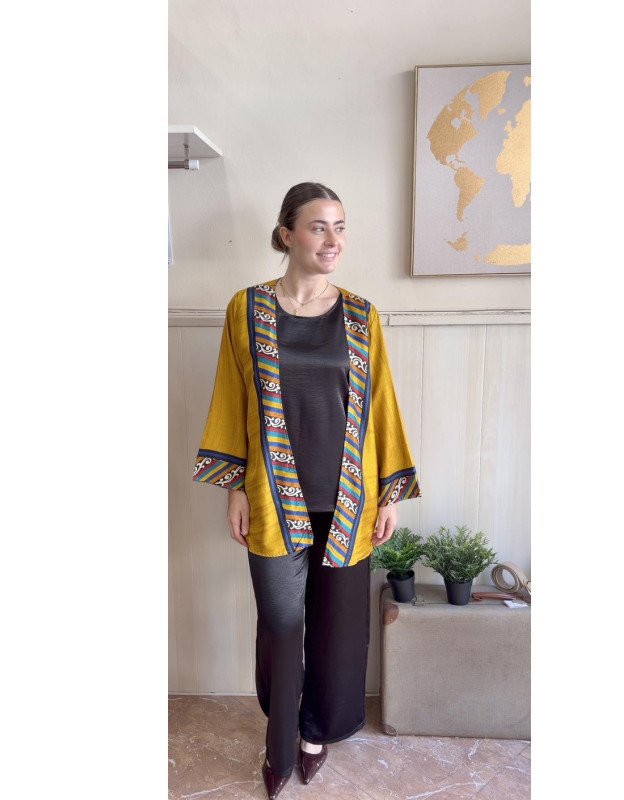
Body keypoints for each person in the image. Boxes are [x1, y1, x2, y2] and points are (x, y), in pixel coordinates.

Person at [192, 181, 421, 799]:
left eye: (340, 227)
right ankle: (278, 744)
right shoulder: (246, 309)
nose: (333, 240)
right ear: (287, 234)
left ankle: (315, 734)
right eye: (319, 227)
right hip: (272, 496)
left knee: (336, 628)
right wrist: (234, 487)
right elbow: (231, 398)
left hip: (348, 499)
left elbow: (381, 405)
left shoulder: (362, 315)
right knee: (281, 622)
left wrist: (389, 494)